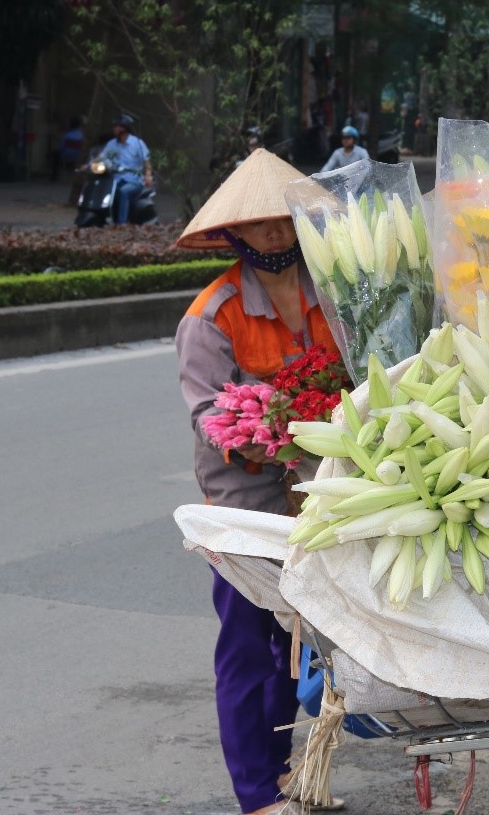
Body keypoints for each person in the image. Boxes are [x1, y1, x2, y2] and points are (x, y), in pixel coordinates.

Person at [175, 150, 345, 815]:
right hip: (244, 494)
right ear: (234, 233)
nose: (275, 233)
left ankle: (290, 777)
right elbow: (209, 414)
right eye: (260, 224)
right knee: (251, 640)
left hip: (326, 482)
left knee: (312, 636)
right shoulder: (210, 314)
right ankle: (256, 793)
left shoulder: (335, 289)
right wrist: (276, 423)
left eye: (284, 220)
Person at [99, 114, 153, 225]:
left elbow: (147, 162)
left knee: (123, 192)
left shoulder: (137, 143)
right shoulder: (112, 144)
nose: (114, 129)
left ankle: (121, 223)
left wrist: (148, 176)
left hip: (134, 180)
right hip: (115, 180)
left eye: (117, 126)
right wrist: (88, 165)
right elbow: (101, 157)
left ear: (124, 128)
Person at [58, 116, 85, 196]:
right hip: (79, 157)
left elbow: (61, 148)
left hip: (66, 156)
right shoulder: (82, 136)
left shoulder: (66, 136)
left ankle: (55, 176)